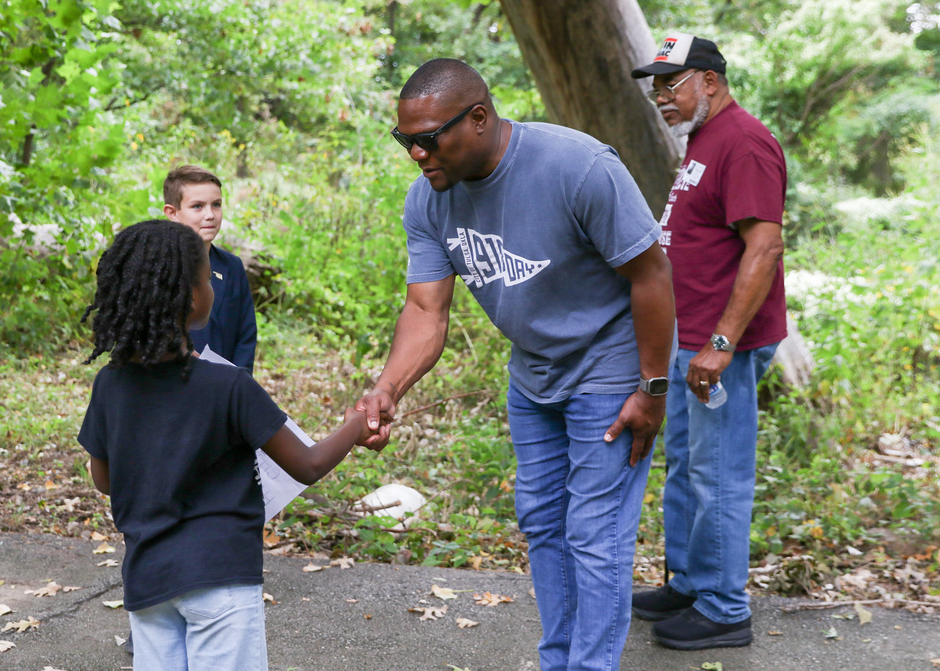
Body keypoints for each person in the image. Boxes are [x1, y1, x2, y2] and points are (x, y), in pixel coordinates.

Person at [356, 59, 676, 671]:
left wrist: (653, 387)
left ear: (478, 118)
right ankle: (560, 659)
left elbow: (651, 275)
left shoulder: (577, 167)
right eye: (406, 140)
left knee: (593, 529)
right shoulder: (428, 201)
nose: (417, 155)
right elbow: (426, 310)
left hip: (611, 365)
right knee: (543, 522)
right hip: (534, 375)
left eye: (429, 139)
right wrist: (387, 386)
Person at [78, 219, 371, 670]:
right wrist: (355, 424)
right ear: (192, 296)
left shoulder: (110, 382)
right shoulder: (228, 385)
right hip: (221, 579)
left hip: (148, 579)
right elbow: (308, 465)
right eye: (207, 277)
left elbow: (104, 480)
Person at [630, 34, 787, 650]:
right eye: (655, 87)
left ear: (710, 82)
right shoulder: (705, 139)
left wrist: (721, 343)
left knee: (718, 475)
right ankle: (692, 583)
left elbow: (764, 246)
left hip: (721, 345)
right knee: (688, 469)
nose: (660, 96)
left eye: (672, 83)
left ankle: (725, 608)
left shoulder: (745, 141)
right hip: (688, 336)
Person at [164, 165, 257, 372]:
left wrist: (239, 384)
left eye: (216, 205)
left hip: (225, 387)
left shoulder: (231, 266)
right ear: (172, 213)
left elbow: (246, 335)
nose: (210, 215)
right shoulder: (156, 266)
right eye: (197, 206)